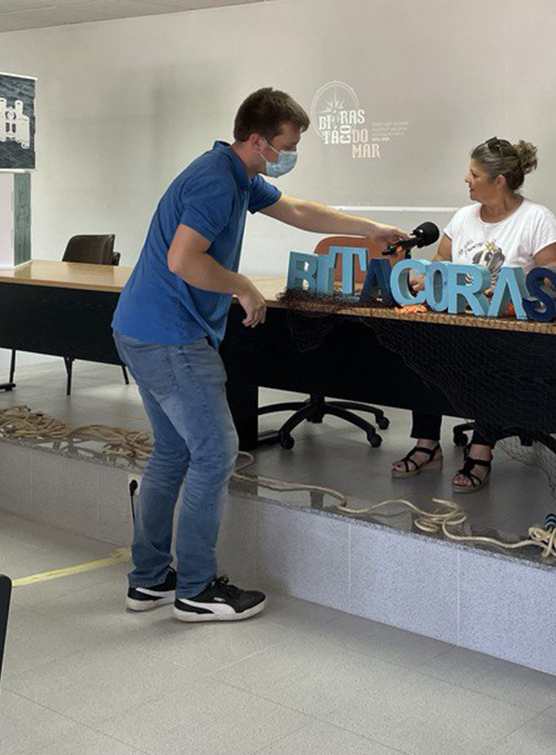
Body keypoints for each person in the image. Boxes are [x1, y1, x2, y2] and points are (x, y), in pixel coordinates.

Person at [112, 88, 408, 621]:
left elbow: (295, 209)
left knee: (173, 453)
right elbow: (184, 260)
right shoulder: (215, 181)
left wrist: (370, 229)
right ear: (257, 140)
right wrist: (243, 286)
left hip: (141, 327)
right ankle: (196, 590)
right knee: (214, 452)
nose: (290, 155)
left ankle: (150, 579)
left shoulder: (237, 172)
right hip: (172, 336)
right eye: (287, 146)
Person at [389, 137, 556, 493]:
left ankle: (481, 451)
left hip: (508, 329)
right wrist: (417, 275)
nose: (466, 179)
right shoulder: (463, 217)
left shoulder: (537, 218)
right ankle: (427, 444)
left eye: (473, 174)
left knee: (488, 355)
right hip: (458, 320)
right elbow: (441, 263)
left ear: (498, 180)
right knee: (421, 347)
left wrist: (508, 290)